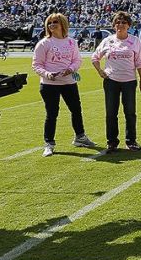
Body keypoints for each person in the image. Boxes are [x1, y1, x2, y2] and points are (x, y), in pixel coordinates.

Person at [33, 13, 98, 156]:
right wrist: (47, 74)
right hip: (49, 84)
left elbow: (77, 60)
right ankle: (49, 143)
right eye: (49, 23)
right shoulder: (44, 43)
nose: (52, 25)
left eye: (55, 22)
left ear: (63, 23)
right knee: (52, 114)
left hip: (69, 82)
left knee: (76, 110)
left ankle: (80, 137)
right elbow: (37, 65)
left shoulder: (71, 42)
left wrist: (71, 69)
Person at [92, 11, 141, 152]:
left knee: (130, 112)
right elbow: (95, 58)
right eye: (117, 22)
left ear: (128, 25)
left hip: (129, 81)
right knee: (111, 113)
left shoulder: (135, 41)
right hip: (111, 81)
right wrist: (100, 71)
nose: (120, 25)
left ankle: (131, 141)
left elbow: (139, 62)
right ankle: (112, 142)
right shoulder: (107, 41)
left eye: (123, 22)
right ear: (114, 25)